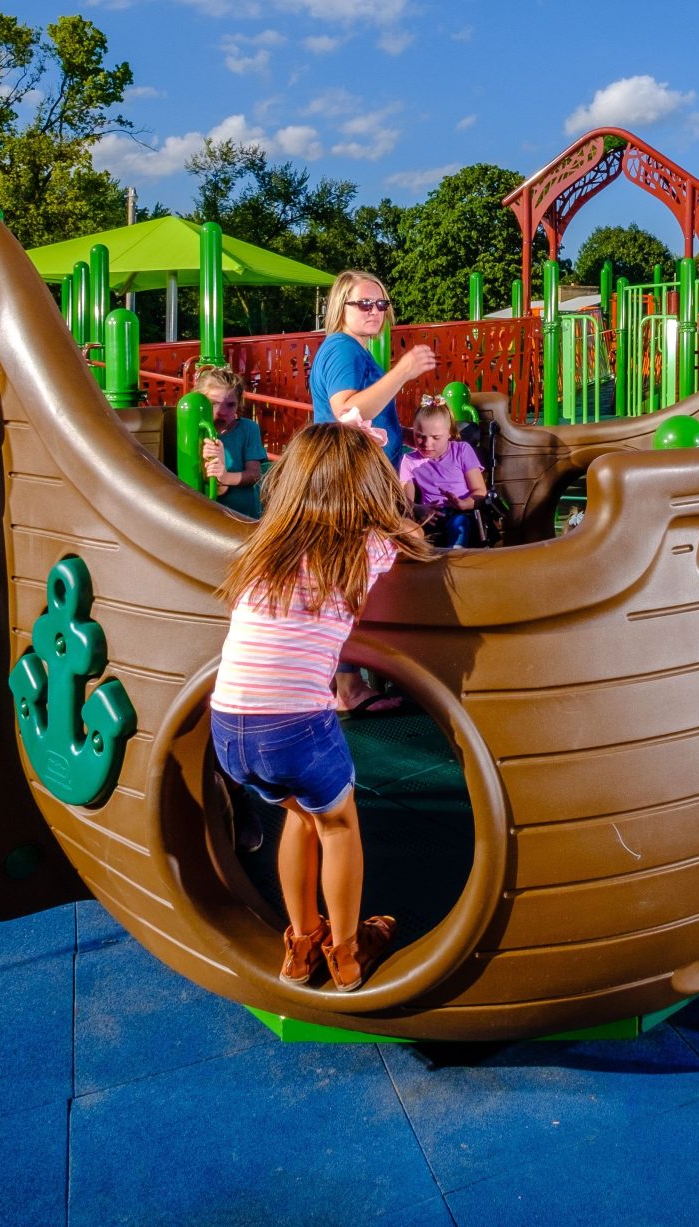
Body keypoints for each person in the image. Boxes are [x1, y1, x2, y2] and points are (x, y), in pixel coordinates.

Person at [212, 421, 433, 990]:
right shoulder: (365, 546)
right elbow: (409, 527)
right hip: (296, 727)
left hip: (229, 727)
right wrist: (379, 460)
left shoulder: (264, 548)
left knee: (299, 816)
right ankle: (346, 954)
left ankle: (299, 947)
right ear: (364, 488)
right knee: (338, 826)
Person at [309, 270, 434, 464]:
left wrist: (401, 433)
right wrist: (402, 372)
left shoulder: (351, 348)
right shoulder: (343, 348)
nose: (375, 311)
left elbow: (364, 414)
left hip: (364, 472)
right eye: (364, 304)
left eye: (381, 304)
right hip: (355, 475)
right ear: (341, 307)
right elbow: (346, 412)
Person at [399, 396, 490, 548]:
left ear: (449, 433)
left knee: (460, 524)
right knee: (412, 530)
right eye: (420, 436)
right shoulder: (409, 461)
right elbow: (406, 501)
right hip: (430, 516)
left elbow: (480, 491)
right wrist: (418, 509)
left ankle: (454, 556)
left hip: (460, 512)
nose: (427, 444)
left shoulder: (461, 451)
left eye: (436, 437)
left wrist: (464, 504)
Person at [193, 367, 269, 519]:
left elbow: (254, 474)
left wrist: (224, 477)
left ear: (238, 404)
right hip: (206, 515)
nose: (222, 411)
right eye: (213, 403)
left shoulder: (248, 429)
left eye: (230, 405)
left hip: (244, 515)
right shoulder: (193, 431)